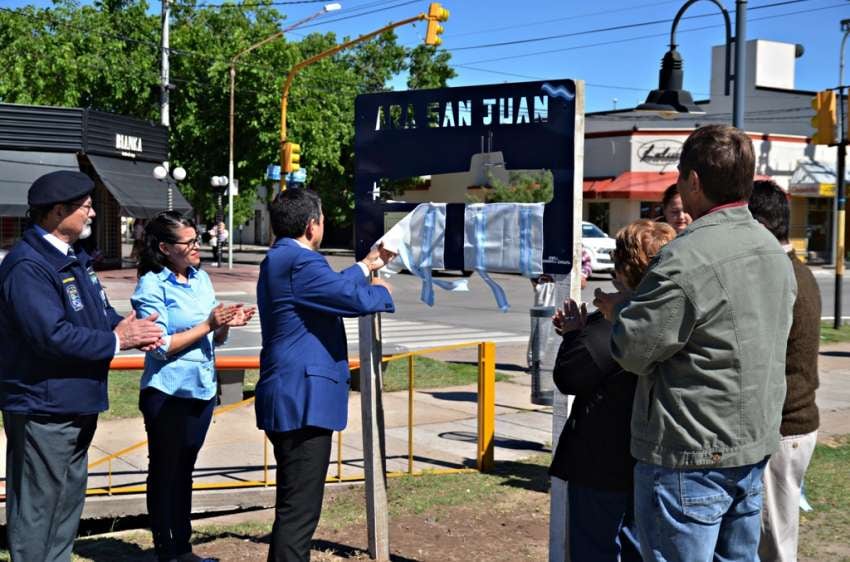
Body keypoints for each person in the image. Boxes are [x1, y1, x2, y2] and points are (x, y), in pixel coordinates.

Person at [594, 124, 797, 561]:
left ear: (694, 181)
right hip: (751, 447)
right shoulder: (770, 249)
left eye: (682, 176)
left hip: (690, 455)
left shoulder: (686, 256)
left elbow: (634, 351)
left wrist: (621, 310)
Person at [0, 170, 164, 562]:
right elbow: (51, 336)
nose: (92, 213)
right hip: (43, 405)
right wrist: (117, 340)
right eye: (84, 207)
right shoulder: (28, 266)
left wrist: (124, 326)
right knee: (38, 507)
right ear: (58, 212)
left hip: (74, 402)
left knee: (66, 503)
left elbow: (98, 312)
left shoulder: (72, 259)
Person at [256, 189, 395, 562]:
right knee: (299, 513)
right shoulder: (301, 262)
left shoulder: (282, 258)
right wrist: (379, 291)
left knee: (294, 505)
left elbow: (329, 288)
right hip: (303, 400)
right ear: (311, 225)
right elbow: (349, 299)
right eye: (322, 218)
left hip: (290, 395)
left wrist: (366, 266)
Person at [131, 211, 255, 562]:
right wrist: (207, 323)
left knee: (185, 471)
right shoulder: (152, 285)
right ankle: (167, 551)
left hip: (201, 388)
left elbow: (214, 338)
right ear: (166, 248)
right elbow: (160, 345)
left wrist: (226, 324)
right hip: (167, 392)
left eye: (197, 238)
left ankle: (184, 549)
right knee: (164, 472)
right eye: (190, 242)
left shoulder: (200, 279)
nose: (198, 246)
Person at [550, 219, 675, 562]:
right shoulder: (667, 314)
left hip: (603, 464)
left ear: (625, 266)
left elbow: (569, 376)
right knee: (638, 548)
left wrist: (575, 334)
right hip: (649, 460)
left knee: (595, 548)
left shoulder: (616, 323)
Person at [749, 180, 821, 562]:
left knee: (773, 544)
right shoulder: (794, 270)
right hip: (792, 426)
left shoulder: (779, 275)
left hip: (783, 427)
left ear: (758, 224)